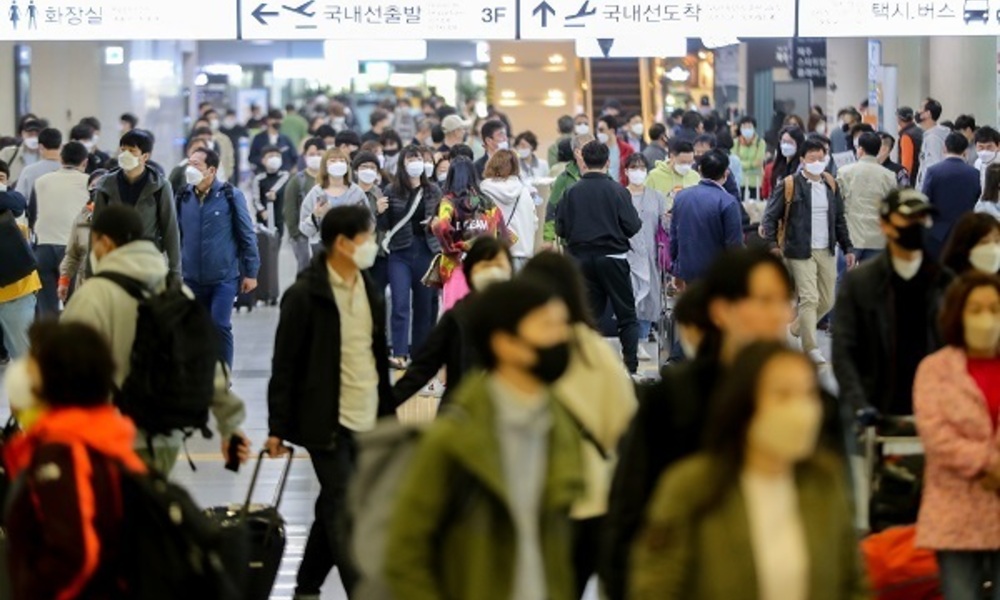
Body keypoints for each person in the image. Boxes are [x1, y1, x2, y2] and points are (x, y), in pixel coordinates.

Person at [603, 248, 806, 600]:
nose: (778, 315)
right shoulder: (673, 401)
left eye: (784, 301)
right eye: (763, 300)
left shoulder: (812, 403)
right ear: (722, 310)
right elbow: (628, 513)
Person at [384, 277, 583, 600]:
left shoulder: (560, 430)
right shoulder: (452, 440)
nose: (561, 338)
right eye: (547, 327)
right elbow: (404, 553)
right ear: (505, 343)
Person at [630, 341, 867, 600]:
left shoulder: (825, 482)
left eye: (809, 394)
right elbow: (656, 589)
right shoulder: (691, 487)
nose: (801, 410)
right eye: (783, 395)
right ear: (744, 404)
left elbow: (852, 583)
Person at [266, 205, 395, 600]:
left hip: (366, 413)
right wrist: (277, 428)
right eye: (367, 237)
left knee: (333, 506)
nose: (372, 244)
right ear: (342, 243)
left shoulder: (369, 289)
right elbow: (284, 364)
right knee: (347, 506)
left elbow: (377, 357)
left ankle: (306, 586)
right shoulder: (304, 295)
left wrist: (388, 418)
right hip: (324, 419)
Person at [62, 204, 248, 473]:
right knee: (150, 499)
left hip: (110, 438)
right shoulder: (176, 291)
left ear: (105, 242)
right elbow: (204, 360)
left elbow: (62, 369)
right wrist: (230, 425)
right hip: (164, 436)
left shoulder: (94, 295)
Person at [2, 321, 150, 600]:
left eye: (31, 363)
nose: (23, 372)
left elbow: (74, 554)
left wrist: (32, 589)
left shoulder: (63, 454)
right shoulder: (99, 436)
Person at [520, 251, 639, 596]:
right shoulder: (595, 351)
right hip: (593, 498)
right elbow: (624, 424)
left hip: (536, 499)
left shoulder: (518, 350)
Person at [913, 272, 1000, 600]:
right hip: (955, 513)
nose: (986, 318)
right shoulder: (934, 370)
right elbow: (937, 436)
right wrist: (991, 464)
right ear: (958, 314)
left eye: (995, 309)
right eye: (976, 309)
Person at [833, 189, 953, 417]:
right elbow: (843, 349)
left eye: (923, 219)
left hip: (934, 409)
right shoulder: (860, 283)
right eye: (909, 218)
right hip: (876, 408)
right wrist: (859, 405)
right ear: (885, 225)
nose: (917, 226)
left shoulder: (944, 283)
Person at [555, 140, 642, 374]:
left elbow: (560, 229)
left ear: (582, 161)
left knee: (586, 316)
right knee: (626, 314)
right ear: (608, 162)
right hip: (613, 257)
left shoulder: (570, 192)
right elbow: (633, 225)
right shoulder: (618, 191)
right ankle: (630, 367)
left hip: (580, 259)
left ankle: (584, 366)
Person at [393, 236, 512, 405]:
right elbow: (424, 367)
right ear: (471, 271)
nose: (493, 271)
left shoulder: (519, 316)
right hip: (459, 409)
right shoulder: (456, 317)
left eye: (499, 265)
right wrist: (386, 404)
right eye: (485, 265)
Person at [176, 147, 260, 368]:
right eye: (189, 164)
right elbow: (176, 235)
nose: (190, 169)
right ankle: (199, 374)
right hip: (191, 278)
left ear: (211, 170)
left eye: (196, 165)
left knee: (220, 325)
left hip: (224, 278)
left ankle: (223, 374)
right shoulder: (183, 196)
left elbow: (247, 235)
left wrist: (251, 272)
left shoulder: (230, 196)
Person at [378, 146, 442, 368]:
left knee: (424, 305)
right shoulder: (391, 190)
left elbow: (443, 221)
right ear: (402, 164)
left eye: (419, 158)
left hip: (426, 250)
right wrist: (380, 212)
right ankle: (399, 353)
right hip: (400, 252)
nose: (416, 162)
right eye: (411, 158)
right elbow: (384, 226)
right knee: (400, 303)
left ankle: (419, 354)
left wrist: (436, 223)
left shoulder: (433, 190)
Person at [92, 129, 180, 281]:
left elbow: (170, 229)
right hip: (114, 261)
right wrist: (92, 270)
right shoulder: (106, 185)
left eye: (132, 151)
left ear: (145, 156)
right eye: (123, 150)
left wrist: (175, 272)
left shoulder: (159, 186)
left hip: (147, 262)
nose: (125, 154)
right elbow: (96, 230)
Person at [432, 157, 508, 309]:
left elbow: (442, 226)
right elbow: (505, 235)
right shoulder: (487, 203)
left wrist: (451, 248)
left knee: (456, 314)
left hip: (456, 266)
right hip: (485, 267)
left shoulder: (448, 202)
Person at [29, 140, 89, 316]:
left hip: (43, 248)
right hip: (73, 251)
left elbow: (32, 215)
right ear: (85, 162)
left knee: (46, 310)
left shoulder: (40, 181)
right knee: (75, 307)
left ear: (61, 159)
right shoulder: (88, 182)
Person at [670, 149, 745, 285]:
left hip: (688, 270)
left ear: (699, 170)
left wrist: (676, 268)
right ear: (726, 173)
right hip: (718, 273)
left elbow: (674, 237)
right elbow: (734, 245)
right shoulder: (728, 202)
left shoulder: (681, 197)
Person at [624, 154, 667, 356]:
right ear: (626, 171)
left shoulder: (657, 197)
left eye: (642, 168)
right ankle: (630, 340)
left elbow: (664, 226)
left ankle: (642, 338)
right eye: (634, 167)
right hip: (627, 254)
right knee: (629, 297)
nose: (638, 172)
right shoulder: (620, 195)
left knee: (649, 298)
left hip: (651, 254)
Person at [837, 132, 899, 262]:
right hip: (878, 238)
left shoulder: (844, 172)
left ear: (860, 149)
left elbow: (837, 204)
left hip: (852, 236)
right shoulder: (889, 176)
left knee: (845, 274)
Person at [0, 160, 39, 359]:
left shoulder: (13, 201)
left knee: (23, 356)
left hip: (16, 291)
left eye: (0, 178)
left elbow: (17, 204)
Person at [921, 132, 982, 260]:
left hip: (937, 232)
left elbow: (925, 200)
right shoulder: (974, 173)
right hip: (964, 230)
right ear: (965, 150)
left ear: (944, 148)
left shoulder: (933, 171)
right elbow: (977, 198)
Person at [299, 147, 368, 252]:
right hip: (322, 247)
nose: (338, 164)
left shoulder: (357, 192)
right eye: (333, 161)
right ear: (325, 166)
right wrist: (315, 215)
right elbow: (305, 229)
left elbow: (369, 223)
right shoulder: (316, 193)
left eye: (342, 161)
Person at [481, 149, 537, 273]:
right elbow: (534, 222)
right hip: (524, 253)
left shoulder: (484, 191)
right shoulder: (524, 191)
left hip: (497, 254)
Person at [250, 145, 290, 306]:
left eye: (276, 155)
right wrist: (262, 211)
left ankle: (273, 291)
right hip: (263, 223)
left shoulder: (284, 175)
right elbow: (255, 198)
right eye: (270, 156)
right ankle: (261, 291)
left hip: (278, 221)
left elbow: (278, 188)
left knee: (274, 256)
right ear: (263, 160)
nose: (274, 159)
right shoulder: (258, 179)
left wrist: (272, 193)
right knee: (262, 257)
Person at [58, 169, 105, 302]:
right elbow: (72, 254)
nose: (97, 189)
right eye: (93, 186)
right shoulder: (81, 219)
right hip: (85, 284)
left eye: (102, 185)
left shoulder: (120, 217)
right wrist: (64, 281)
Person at [284, 137, 326, 273]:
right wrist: (296, 234)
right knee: (305, 270)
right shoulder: (297, 181)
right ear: (304, 156)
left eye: (319, 154)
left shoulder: (330, 179)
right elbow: (289, 209)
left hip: (325, 235)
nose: (316, 157)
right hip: (303, 235)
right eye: (311, 154)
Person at [546, 133, 593, 243]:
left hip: (598, 241)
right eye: (589, 148)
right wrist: (548, 239)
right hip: (571, 241)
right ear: (577, 152)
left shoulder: (605, 175)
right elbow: (552, 209)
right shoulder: (564, 178)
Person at [353, 150, 390, 290]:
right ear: (356, 170)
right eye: (364, 167)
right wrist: (376, 212)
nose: (368, 171)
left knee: (377, 293)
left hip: (378, 253)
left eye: (372, 167)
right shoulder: (350, 194)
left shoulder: (381, 193)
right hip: (355, 253)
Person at [645, 140, 700, 212]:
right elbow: (645, 201)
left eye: (690, 162)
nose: (686, 166)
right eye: (683, 162)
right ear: (672, 157)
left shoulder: (695, 177)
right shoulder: (654, 176)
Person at [15, 126, 61, 201]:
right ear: (61, 146)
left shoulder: (29, 171)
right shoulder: (69, 170)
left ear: (40, 147)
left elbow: (18, 199)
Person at [915, 98, 949, 190]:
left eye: (921, 108)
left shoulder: (933, 138)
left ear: (928, 113)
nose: (917, 111)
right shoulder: (931, 135)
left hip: (929, 189)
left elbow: (932, 166)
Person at [249, 108, 298, 173]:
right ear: (268, 120)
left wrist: (292, 169)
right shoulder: (258, 138)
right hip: (264, 173)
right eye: (275, 119)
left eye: (280, 119)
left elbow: (295, 157)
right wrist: (264, 160)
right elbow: (252, 157)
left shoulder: (286, 139)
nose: (278, 122)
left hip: (284, 173)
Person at [765, 125, 806, 198]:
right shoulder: (778, 165)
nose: (786, 146)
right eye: (783, 142)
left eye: (790, 142)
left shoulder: (801, 167)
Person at [0, 119, 42, 186]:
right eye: (30, 134)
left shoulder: (47, 157)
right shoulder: (8, 154)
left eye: (37, 135)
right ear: (23, 134)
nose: (34, 138)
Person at [735, 116, 767, 200]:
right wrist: (751, 164)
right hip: (740, 181)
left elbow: (759, 162)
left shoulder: (760, 143)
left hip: (756, 182)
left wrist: (742, 164)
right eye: (744, 127)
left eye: (749, 126)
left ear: (754, 128)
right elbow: (735, 161)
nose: (747, 129)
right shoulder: (736, 143)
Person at [596, 114, 634, 185]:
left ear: (612, 131)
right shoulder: (596, 150)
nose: (598, 133)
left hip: (621, 188)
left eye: (601, 130)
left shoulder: (627, 150)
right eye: (597, 130)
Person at [973, 125, 1000, 195]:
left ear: (998, 146)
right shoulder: (977, 162)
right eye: (981, 147)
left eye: (989, 147)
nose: (985, 151)